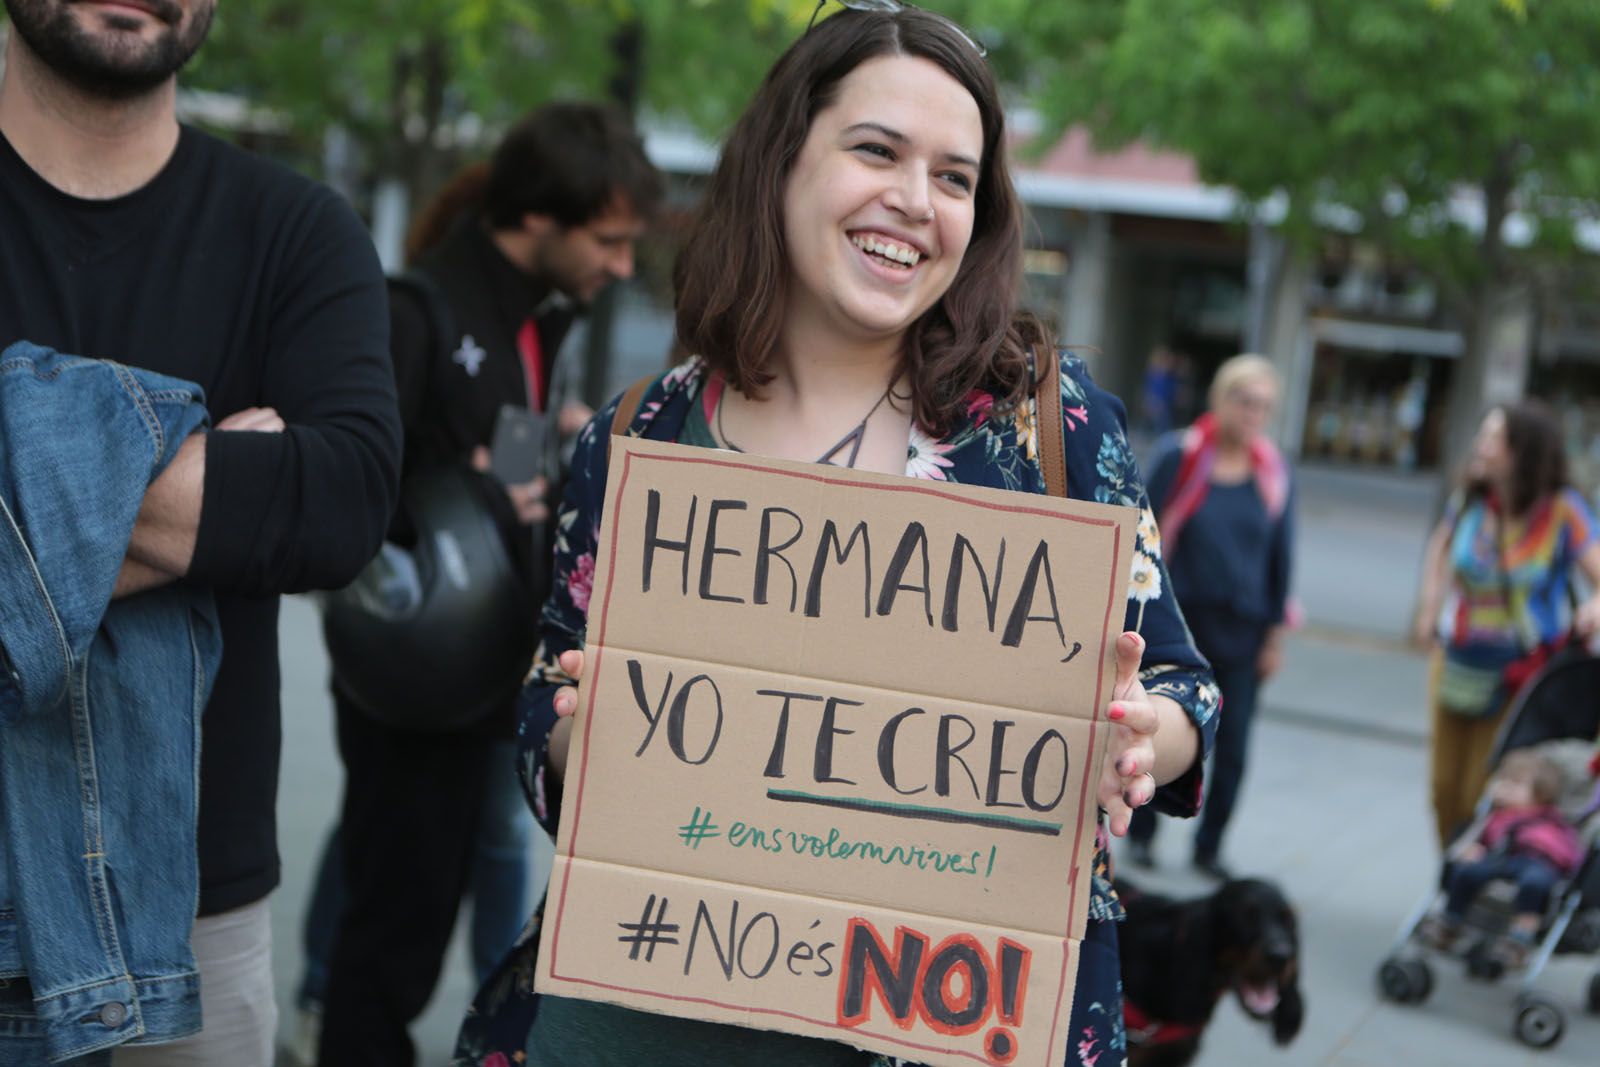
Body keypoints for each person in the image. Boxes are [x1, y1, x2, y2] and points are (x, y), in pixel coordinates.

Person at [451, 5, 1219, 1065]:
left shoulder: (1050, 428)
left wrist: (1140, 735)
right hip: (651, 1013)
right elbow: (546, 694)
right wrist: (579, 735)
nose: (914, 200)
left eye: (954, 177)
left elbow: (1182, 688)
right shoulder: (639, 435)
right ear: (782, 162)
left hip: (949, 1012)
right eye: (875, 150)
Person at [0, 1, 402, 1063]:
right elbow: (285, 497)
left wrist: (22, 498)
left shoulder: (298, 231)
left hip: (194, 915)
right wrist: (207, 473)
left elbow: (345, 499)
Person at [312, 103, 662, 1067]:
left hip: (474, 680)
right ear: (540, 218)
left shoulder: (533, 320)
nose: (624, 267)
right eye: (612, 240)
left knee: (409, 919)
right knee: (391, 934)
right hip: (412, 686)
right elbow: (345, 500)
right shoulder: (416, 311)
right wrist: (470, 487)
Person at [1126, 354, 1294, 879]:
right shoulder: (1183, 455)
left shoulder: (1271, 474)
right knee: (1158, 729)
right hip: (1179, 624)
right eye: (1245, 401)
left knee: (1235, 749)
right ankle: (1144, 833)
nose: (1253, 414)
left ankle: (1209, 846)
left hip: (1241, 631)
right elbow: (1140, 526)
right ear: (1220, 401)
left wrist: (1274, 636)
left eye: (1264, 406)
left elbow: (1281, 558)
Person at [1414, 401, 1600, 847]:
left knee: (1484, 788)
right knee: (1443, 790)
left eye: (1493, 437)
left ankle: (1471, 870)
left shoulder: (1562, 511)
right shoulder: (1473, 498)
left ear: (1523, 451)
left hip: (1517, 671)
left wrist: (1594, 608)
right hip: (1456, 659)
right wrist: (1429, 604)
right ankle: (1453, 866)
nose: (1480, 444)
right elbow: (1441, 546)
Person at [1421, 748, 1583, 966]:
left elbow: (1568, 850)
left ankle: (1519, 938)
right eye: (1502, 780)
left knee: (1535, 884)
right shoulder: (1495, 815)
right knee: (1467, 871)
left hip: (1537, 862)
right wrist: (1471, 849)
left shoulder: (1552, 818)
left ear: (1541, 793)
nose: (1505, 787)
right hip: (1502, 859)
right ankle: (1450, 922)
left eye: (1514, 784)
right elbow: (1477, 840)